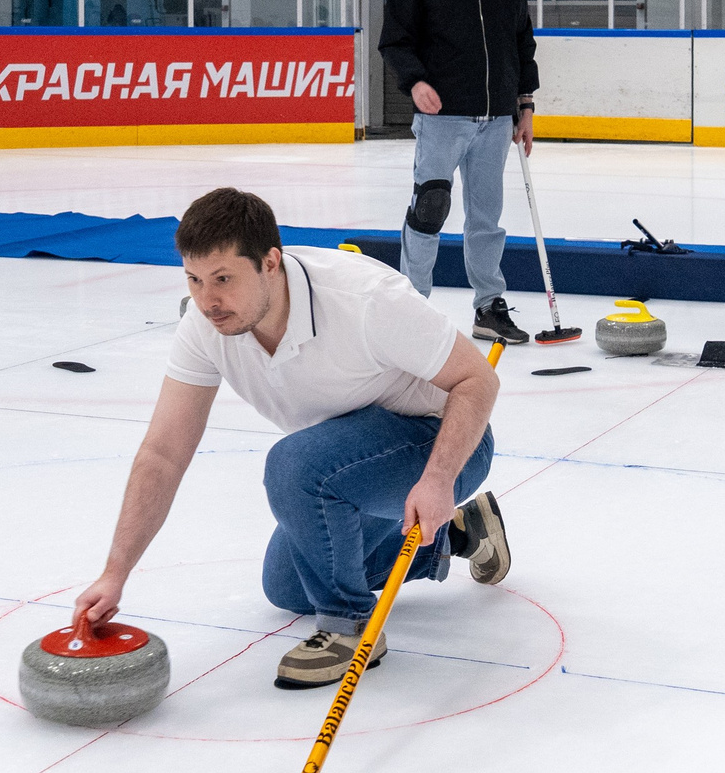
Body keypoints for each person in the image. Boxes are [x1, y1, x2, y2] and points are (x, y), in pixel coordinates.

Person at [74, 188, 511, 691]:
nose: (207, 300)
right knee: (286, 584)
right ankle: (459, 534)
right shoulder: (205, 327)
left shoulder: (365, 298)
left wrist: (438, 479)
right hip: (346, 464)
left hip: (443, 444)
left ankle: (350, 627)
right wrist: (115, 573)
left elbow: (479, 380)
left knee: (294, 466)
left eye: (223, 280)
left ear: (270, 263)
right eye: (194, 280)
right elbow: (163, 453)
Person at [377, 0, 538, 347]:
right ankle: (413, 307)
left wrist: (525, 104)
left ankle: (488, 307)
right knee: (430, 209)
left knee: (486, 219)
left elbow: (521, 45)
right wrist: (416, 82)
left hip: (496, 121)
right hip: (443, 117)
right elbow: (395, 38)